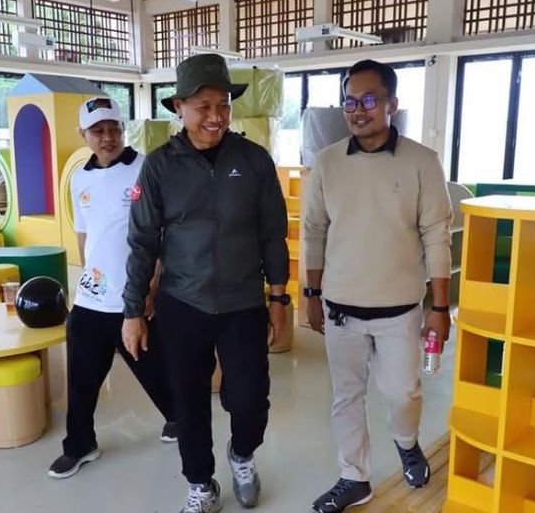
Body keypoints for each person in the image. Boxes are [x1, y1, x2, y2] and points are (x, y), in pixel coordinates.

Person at [121, 54, 289, 513]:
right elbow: (142, 242)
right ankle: (201, 483)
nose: (216, 116)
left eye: (223, 105)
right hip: (182, 303)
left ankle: (243, 454)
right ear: (179, 107)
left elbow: (273, 234)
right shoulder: (159, 166)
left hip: (242, 303)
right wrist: (133, 311)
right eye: (203, 106)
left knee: (250, 396)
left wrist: (279, 299)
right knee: (188, 401)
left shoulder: (254, 160)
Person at [304, 60, 453, 513]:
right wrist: (312, 295)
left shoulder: (422, 162)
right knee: (346, 397)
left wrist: (439, 308)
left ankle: (407, 443)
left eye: (369, 99)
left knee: (403, 392)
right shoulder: (327, 162)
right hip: (341, 310)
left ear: (392, 103)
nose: (358, 110)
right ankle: (354, 477)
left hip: (400, 311)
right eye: (350, 101)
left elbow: (437, 235)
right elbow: (314, 231)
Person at [48, 97, 176, 479]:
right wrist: (87, 279)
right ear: (83, 134)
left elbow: (164, 232)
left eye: (113, 128)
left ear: (123, 129)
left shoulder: (146, 168)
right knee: (81, 377)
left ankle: (179, 417)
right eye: (98, 130)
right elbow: (84, 234)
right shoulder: (80, 178)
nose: (107, 137)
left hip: (135, 297)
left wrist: (153, 283)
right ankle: (79, 445)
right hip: (92, 298)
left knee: (154, 367)